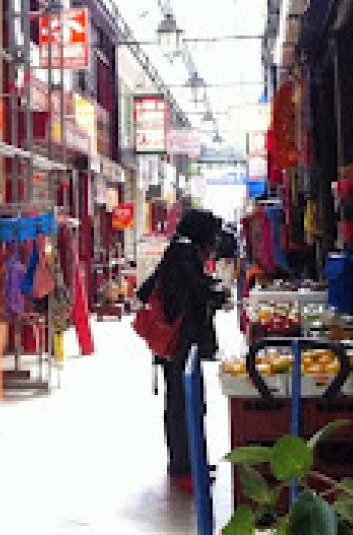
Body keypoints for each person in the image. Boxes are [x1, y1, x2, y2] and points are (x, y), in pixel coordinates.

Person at [137, 207, 227, 493]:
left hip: (177, 343)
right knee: (183, 404)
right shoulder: (184, 252)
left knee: (185, 402)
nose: (214, 243)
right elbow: (196, 290)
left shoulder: (178, 250)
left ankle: (191, 462)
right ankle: (184, 468)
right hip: (179, 342)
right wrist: (216, 292)